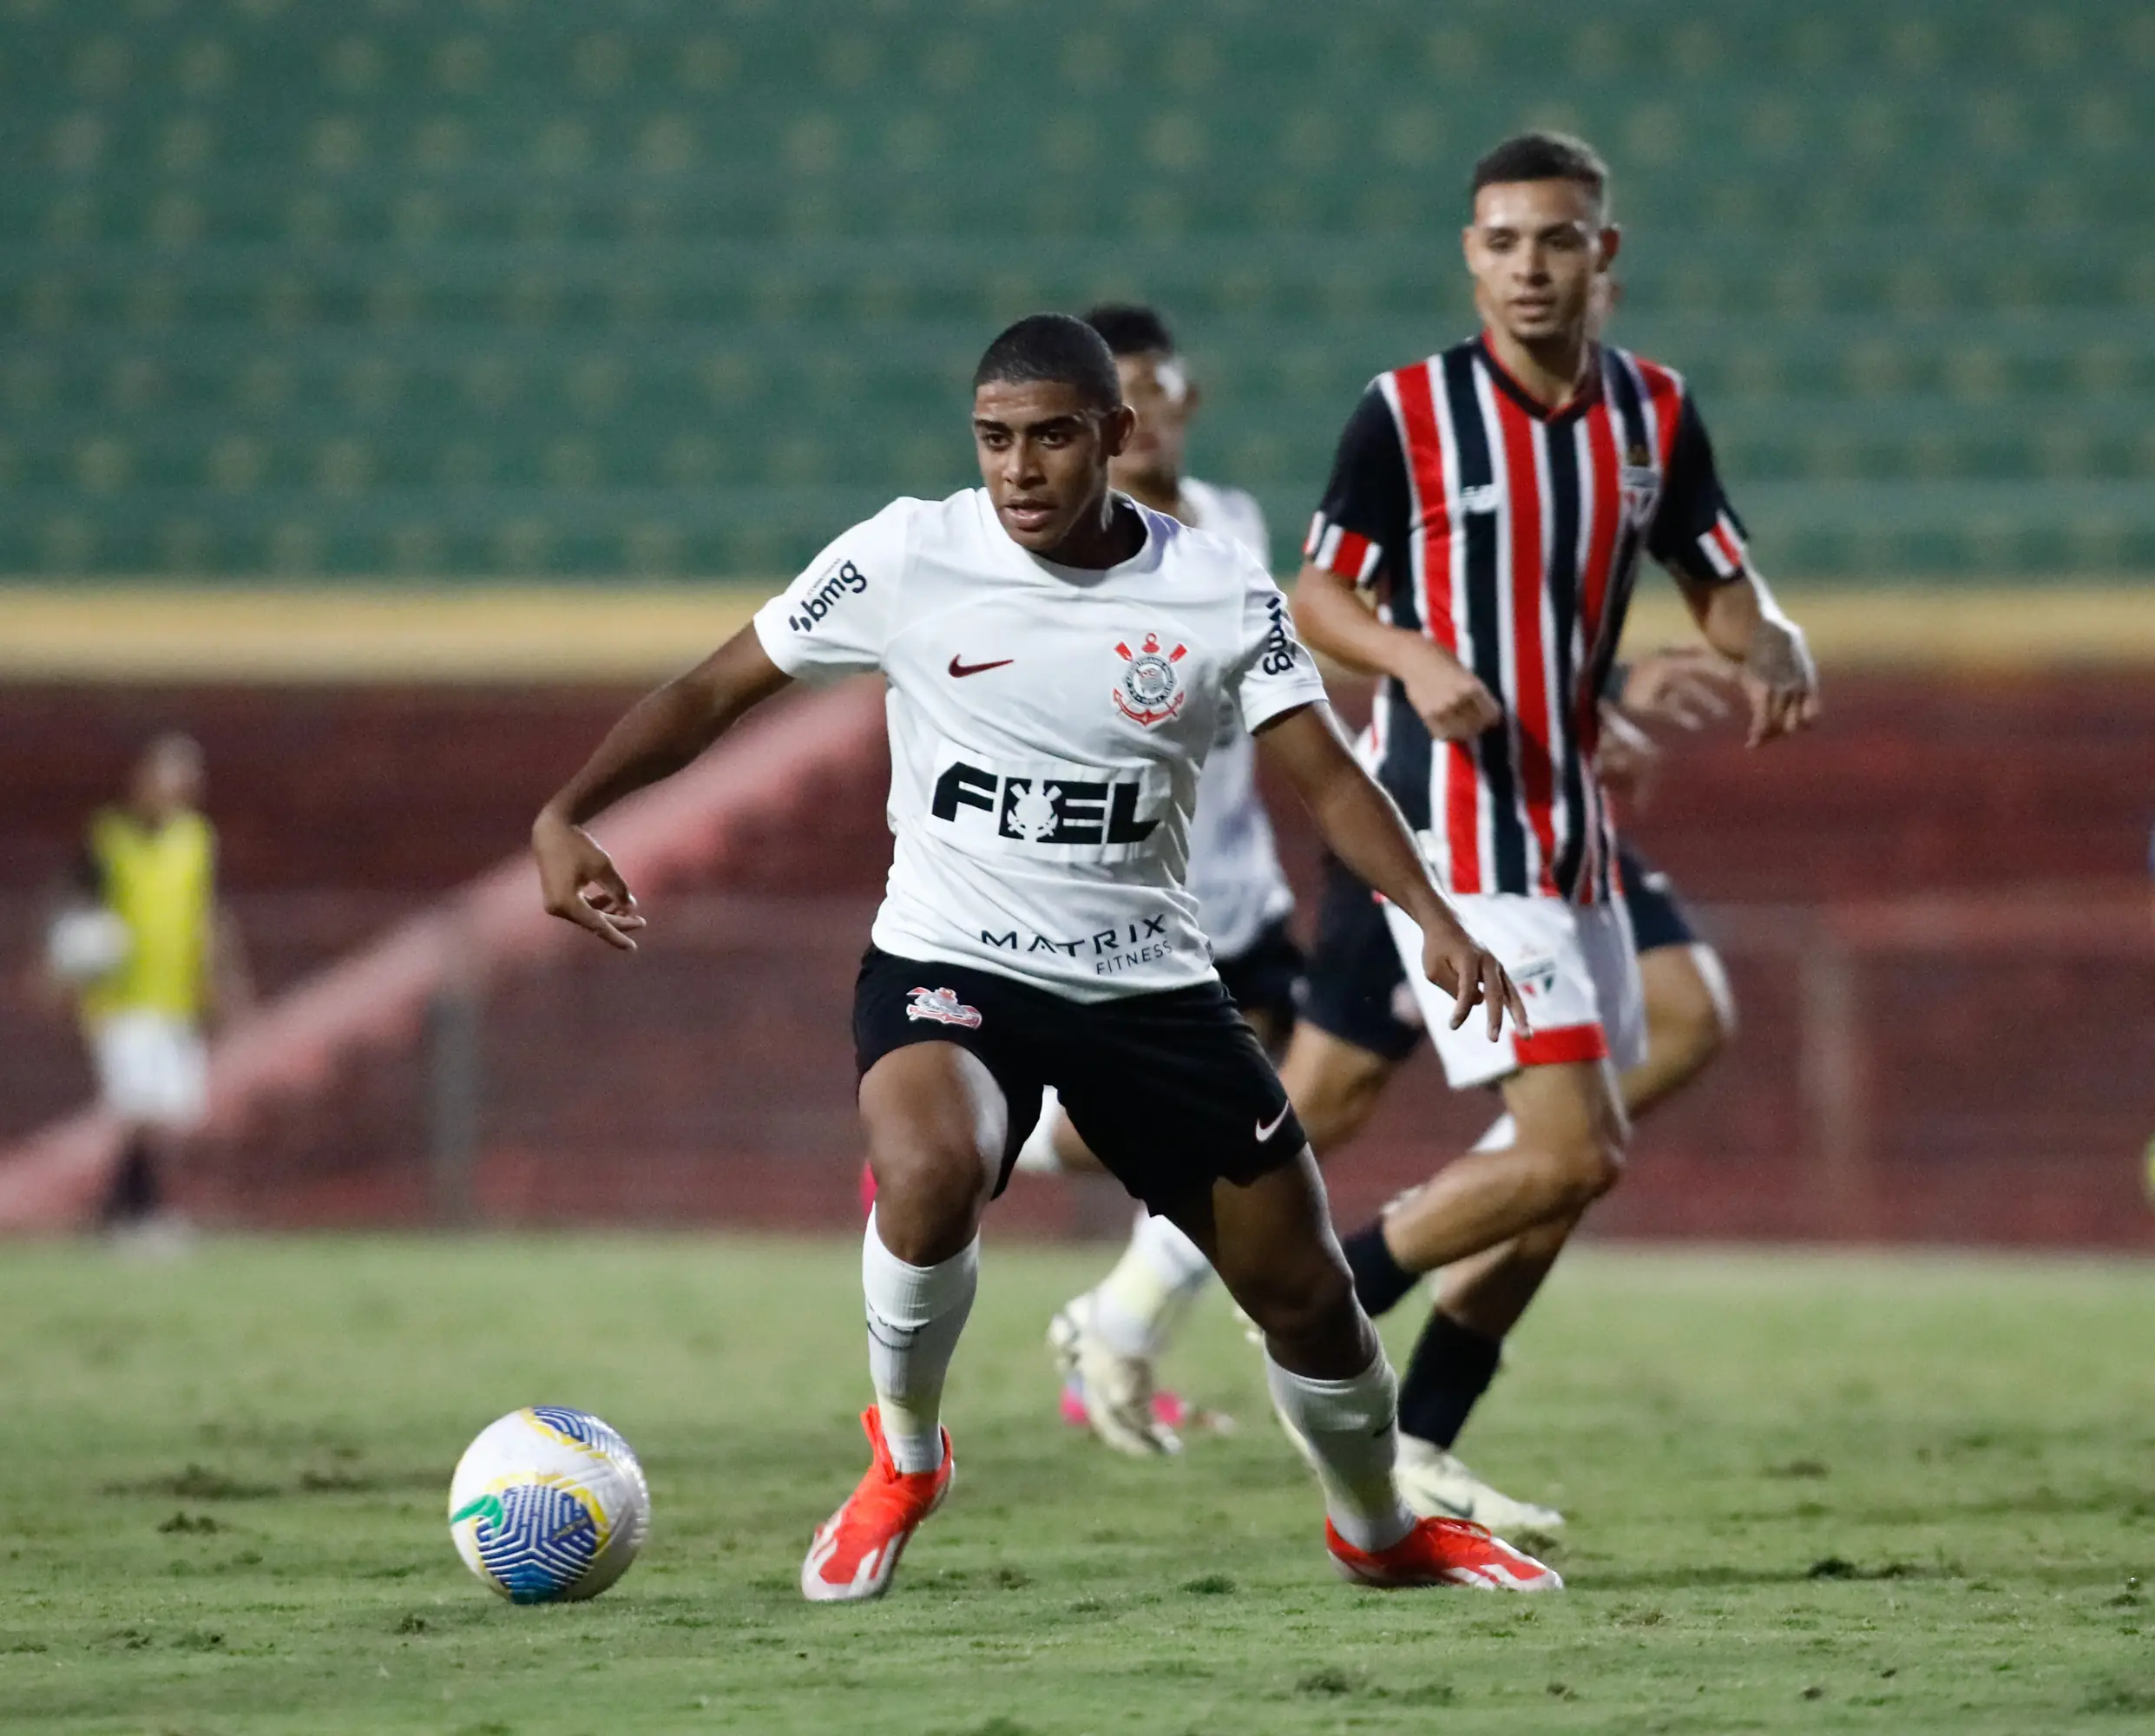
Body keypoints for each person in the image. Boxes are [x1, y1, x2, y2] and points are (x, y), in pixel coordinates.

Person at [533, 312, 1561, 1601]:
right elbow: (709, 690)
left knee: (1306, 1299)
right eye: (994, 439)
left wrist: (1433, 916)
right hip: (950, 960)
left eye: (1052, 437)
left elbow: (1331, 779)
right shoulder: (906, 554)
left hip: (1148, 988)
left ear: (1114, 434)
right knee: (925, 1169)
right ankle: (906, 1458)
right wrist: (568, 810)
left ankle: (1375, 1531)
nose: (1019, 469)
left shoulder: (1214, 585)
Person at [1284, 131, 1818, 1523]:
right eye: (1502, 241)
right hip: (1451, 825)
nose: (1528, 266)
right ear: (1470, 258)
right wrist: (1408, 657)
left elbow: (1718, 583)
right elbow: (1316, 596)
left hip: (1566, 824)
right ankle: (1314, 1301)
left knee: (1572, 1167)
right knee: (1571, 1149)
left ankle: (1416, 1442)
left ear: (1601, 255)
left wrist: (1771, 640)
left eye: (1555, 240)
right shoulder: (1406, 412)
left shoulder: (1653, 414)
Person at [1004, 303, 1303, 1457]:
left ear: (1182, 399)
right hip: (1136, 904)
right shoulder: (1066, 556)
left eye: (1155, 389)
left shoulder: (1232, 523)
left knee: (1262, 1122)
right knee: (1230, 1135)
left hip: (1241, 892)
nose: (1144, 417)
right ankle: (1009, 1146)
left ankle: (1109, 1330)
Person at [44, 733, 250, 1230]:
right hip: (120, 997)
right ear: (142, 780)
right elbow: (72, 904)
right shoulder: (109, 836)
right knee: (138, 1108)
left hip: (176, 996)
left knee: (169, 1111)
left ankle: (125, 1209)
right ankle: (139, 1210)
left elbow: (209, 913)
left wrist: (224, 980)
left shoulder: (196, 839)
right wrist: (64, 967)